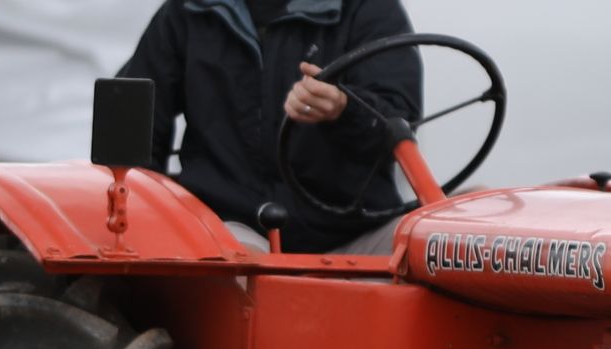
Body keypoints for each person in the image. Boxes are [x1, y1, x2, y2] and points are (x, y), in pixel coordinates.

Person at [118, 0, 424, 254]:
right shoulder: (188, 12)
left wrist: (343, 108)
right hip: (233, 228)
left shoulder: (367, 8)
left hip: (359, 234)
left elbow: (400, 121)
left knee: (443, 245)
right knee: (235, 264)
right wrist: (147, 225)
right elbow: (131, 125)